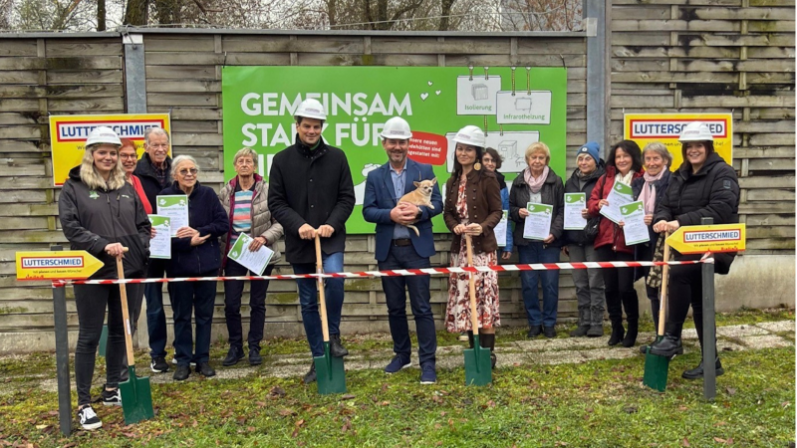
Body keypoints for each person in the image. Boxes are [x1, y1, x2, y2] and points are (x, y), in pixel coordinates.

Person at [58, 127, 150, 430]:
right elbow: (71, 228)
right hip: (92, 269)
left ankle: (112, 389)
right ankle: (84, 403)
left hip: (129, 268)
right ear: (91, 154)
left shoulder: (127, 186)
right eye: (102, 152)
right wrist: (102, 245)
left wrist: (138, 249)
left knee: (121, 331)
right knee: (89, 335)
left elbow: (143, 224)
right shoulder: (74, 187)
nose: (108, 157)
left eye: (113, 152)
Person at [268, 98, 355, 384]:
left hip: (330, 239)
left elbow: (347, 198)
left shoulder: (338, 157)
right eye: (307, 126)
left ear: (322, 127)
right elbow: (276, 203)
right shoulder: (281, 161)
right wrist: (299, 225)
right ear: (297, 125)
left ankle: (334, 336)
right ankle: (318, 358)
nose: (311, 131)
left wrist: (332, 223)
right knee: (307, 301)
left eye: (316, 126)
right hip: (300, 242)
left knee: (335, 278)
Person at [649, 122, 739, 379]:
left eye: (698, 145)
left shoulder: (723, 173)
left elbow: (721, 209)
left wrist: (680, 222)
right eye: (689, 146)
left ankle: (673, 337)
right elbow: (666, 204)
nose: (693, 150)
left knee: (680, 274)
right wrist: (663, 219)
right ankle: (712, 362)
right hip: (685, 245)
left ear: (708, 147)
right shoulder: (680, 174)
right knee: (700, 302)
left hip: (713, 244)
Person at [362, 117, 443, 384]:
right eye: (392, 142)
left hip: (417, 251)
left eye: (402, 142)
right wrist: (391, 215)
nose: (397, 146)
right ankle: (402, 355)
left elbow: (438, 204)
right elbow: (368, 211)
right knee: (395, 308)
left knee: (422, 307)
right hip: (389, 252)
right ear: (384, 143)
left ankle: (428, 363)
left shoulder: (424, 170)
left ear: (409, 143)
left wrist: (419, 211)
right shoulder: (375, 176)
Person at [159, 155, 229, 381]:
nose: (189, 174)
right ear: (174, 175)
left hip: (207, 266)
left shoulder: (207, 194)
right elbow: (161, 235)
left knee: (204, 315)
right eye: (184, 171)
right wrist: (187, 242)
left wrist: (200, 232)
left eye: (193, 170)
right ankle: (182, 361)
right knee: (181, 316)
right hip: (179, 267)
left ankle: (202, 359)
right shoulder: (165, 197)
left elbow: (222, 224)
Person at [443, 125, 503, 368]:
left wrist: (483, 227)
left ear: (477, 153)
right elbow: (448, 213)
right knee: (467, 305)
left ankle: (487, 356)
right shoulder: (452, 180)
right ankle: (473, 351)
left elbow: (497, 211)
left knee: (483, 302)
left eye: (468, 149)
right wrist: (455, 226)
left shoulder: (488, 179)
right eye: (460, 148)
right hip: (461, 251)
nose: (463, 153)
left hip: (482, 252)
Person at [219, 148, 284, 367]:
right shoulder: (225, 192)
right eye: (241, 161)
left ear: (255, 166)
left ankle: (254, 347)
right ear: (235, 166)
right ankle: (235, 347)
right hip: (236, 252)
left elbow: (280, 222)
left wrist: (265, 238)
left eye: (249, 161)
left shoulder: (268, 190)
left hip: (259, 251)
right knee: (231, 303)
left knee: (258, 302)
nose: (245, 164)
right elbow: (220, 223)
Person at [588, 140, 644, 347]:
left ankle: (633, 329)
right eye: (618, 156)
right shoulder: (605, 178)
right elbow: (592, 203)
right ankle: (616, 328)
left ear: (633, 158)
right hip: (605, 239)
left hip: (628, 241)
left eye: (626, 156)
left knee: (625, 288)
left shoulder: (642, 179)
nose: (622, 160)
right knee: (610, 288)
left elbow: (647, 206)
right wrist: (598, 204)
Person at [509, 142, 565, 339]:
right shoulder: (518, 182)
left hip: (549, 242)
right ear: (528, 160)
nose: (537, 161)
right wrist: (519, 212)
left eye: (541, 157)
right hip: (526, 243)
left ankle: (549, 324)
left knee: (550, 283)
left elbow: (561, 210)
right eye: (534, 157)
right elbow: (511, 209)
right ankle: (534, 323)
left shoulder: (556, 181)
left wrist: (555, 233)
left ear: (546, 160)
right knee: (529, 283)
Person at [133, 127, 173, 373]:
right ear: (146, 147)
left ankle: (183, 351)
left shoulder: (176, 169)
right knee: (155, 304)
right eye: (155, 145)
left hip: (177, 244)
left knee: (181, 300)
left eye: (163, 144)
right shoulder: (136, 174)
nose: (160, 149)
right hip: (151, 247)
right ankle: (157, 354)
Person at [563, 142, 606, 338]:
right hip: (574, 239)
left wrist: (593, 212)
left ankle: (597, 322)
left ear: (596, 161)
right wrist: (564, 238)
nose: (583, 161)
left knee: (595, 280)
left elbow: (607, 207)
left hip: (594, 238)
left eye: (588, 158)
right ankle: (584, 321)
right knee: (580, 282)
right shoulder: (570, 182)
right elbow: (563, 212)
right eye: (580, 158)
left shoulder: (603, 181)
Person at [631, 142, 672, 333]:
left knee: (664, 292)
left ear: (665, 160)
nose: (652, 162)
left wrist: (655, 218)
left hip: (664, 246)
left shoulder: (673, 181)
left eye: (656, 158)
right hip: (644, 244)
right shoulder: (638, 183)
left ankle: (669, 335)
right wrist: (626, 220)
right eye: (648, 158)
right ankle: (659, 334)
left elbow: (675, 210)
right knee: (652, 291)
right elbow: (629, 209)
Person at [482, 148, 513, 258]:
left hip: (495, 239)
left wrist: (507, 245)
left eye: (493, 160)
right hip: (474, 238)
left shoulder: (501, 184)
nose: (490, 164)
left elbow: (506, 216)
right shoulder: (471, 180)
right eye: (486, 160)